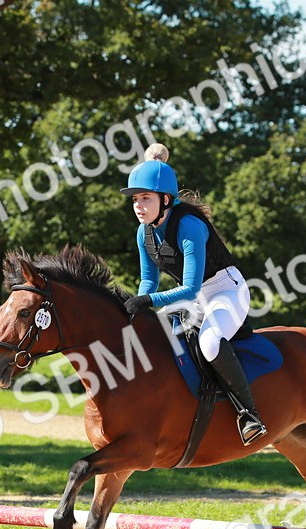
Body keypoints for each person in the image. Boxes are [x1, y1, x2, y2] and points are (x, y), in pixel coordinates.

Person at [119, 143, 267, 445]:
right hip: (193, 297)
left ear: (165, 199)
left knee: (210, 341)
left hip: (226, 290)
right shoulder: (143, 232)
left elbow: (190, 288)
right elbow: (148, 280)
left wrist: (148, 301)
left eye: (145, 198)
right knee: (153, 335)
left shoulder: (189, 225)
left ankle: (249, 415)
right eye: (135, 199)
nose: (138, 205)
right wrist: (139, 308)